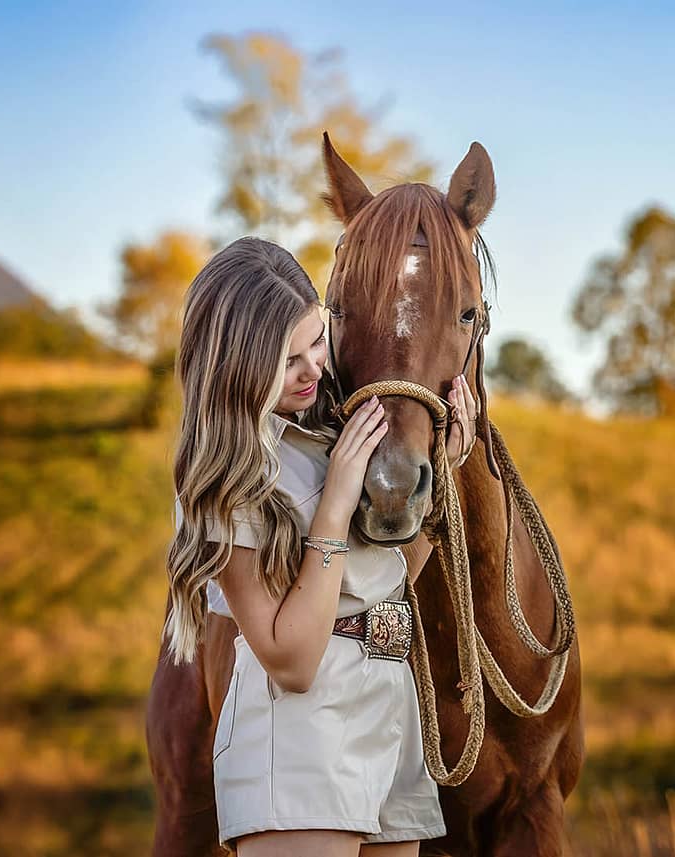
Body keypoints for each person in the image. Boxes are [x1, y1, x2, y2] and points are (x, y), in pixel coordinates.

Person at [166, 237, 477, 857]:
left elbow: (389, 579)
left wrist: (445, 470)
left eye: (316, 340)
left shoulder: (328, 431)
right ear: (236, 364)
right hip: (301, 736)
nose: (312, 369)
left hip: (386, 710)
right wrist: (336, 505)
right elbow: (292, 658)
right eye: (287, 360)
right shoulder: (231, 473)